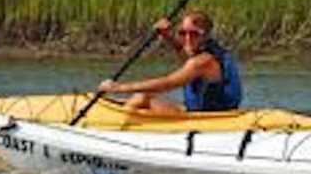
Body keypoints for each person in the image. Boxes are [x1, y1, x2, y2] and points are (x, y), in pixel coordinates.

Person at [98, 10, 242, 114]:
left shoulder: (203, 61)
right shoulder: (208, 51)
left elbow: (167, 83)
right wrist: (167, 36)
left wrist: (119, 87)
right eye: (182, 33)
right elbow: (185, 53)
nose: (187, 38)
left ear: (205, 35)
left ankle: (115, 130)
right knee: (142, 99)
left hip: (209, 121)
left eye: (194, 34)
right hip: (202, 113)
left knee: (142, 98)